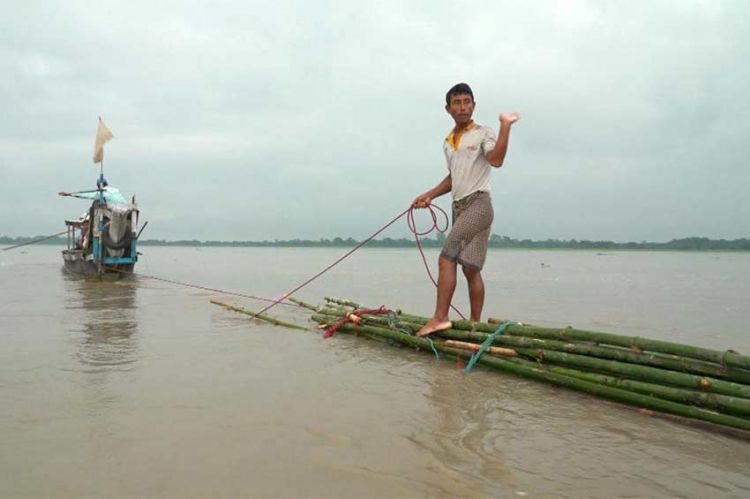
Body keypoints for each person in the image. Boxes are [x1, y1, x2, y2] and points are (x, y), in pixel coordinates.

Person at [412, 83, 520, 336]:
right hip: (459, 207)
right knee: (470, 268)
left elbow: (496, 160)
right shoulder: (448, 142)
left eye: (467, 102)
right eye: (457, 102)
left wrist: (505, 126)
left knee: (446, 257)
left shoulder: (484, 133)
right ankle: (475, 326)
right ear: (448, 108)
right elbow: (453, 178)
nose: (462, 107)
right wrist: (428, 195)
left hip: (479, 204)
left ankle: (440, 317)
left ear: (474, 105)